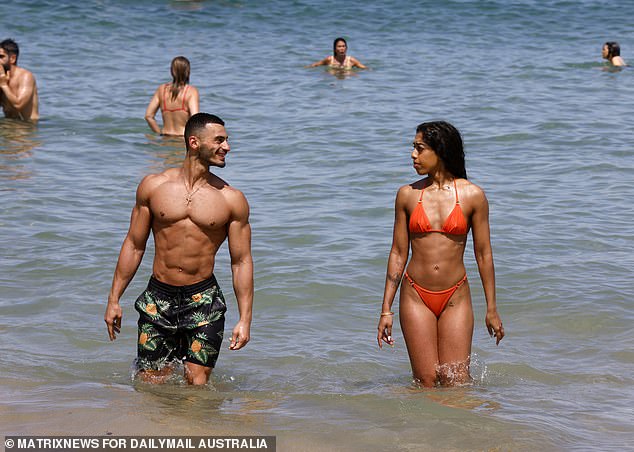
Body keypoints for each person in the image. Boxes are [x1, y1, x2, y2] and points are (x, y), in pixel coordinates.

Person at [104, 113, 253, 385]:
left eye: (227, 141)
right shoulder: (154, 186)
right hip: (157, 299)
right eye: (219, 140)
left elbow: (241, 261)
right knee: (152, 384)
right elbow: (134, 245)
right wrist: (114, 299)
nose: (227, 147)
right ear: (194, 142)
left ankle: (196, 427)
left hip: (204, 300)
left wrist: (245, 319)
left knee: (197, 385)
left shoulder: (232, 199)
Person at [377, 121, 504, 388]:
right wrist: (385, 309)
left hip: (455, 296)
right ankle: (423, 430)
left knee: (456, 382)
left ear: (440, 150)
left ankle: (457, 430)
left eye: (419, 148)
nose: (413, 155)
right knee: (425, 381)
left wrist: (492, 308)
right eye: (413, 148)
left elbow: (484, 254)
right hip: (415, 296)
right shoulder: (407, 195)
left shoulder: (472, 196)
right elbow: (398, 253)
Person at [145, 56, 199, 136]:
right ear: (188, 71)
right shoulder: (191, 91)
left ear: (171, 71)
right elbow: (195, 119)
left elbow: (148, 116)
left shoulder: (161, 89)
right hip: (182, 139)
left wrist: (159, 133)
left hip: (165, 138)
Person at [0, 39, 39, 121]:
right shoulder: (2, 78)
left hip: (26, 127)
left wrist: (3, 85)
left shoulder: (26, 76)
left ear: (12, 59)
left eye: (1, 57)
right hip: (8, 124)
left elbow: (19, 105)